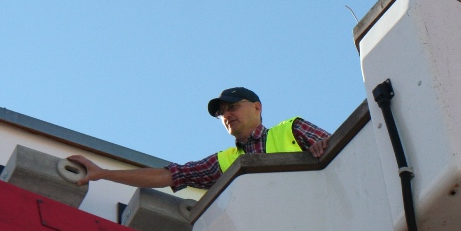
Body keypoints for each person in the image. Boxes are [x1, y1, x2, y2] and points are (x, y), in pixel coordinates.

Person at [68, 87, 331, 192]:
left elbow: (341, 151)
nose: (227, 115)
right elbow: (169, 175)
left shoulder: (292, 129)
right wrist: (103, 174)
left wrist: (322, 147)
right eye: (222, 113)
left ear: (257, 107)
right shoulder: (223, 162)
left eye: (233, 107)